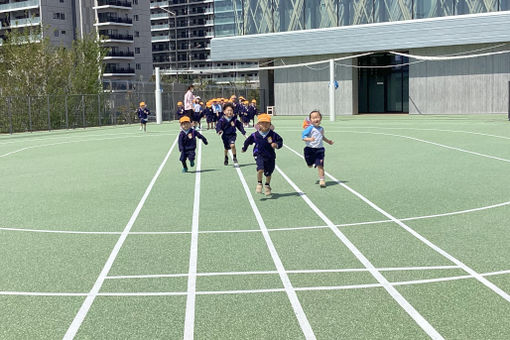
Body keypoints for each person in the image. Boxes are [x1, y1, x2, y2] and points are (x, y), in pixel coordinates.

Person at [242, 114, 283, 196]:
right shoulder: (255, 135)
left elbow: (280, 141)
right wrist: (244, 148)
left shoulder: (273, 134)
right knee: (260, 169)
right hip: (259, 154)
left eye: (266, 123)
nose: (264, 125)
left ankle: (267, 185)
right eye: (262, 123)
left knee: (268, 173)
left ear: (270, 124)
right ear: (258, 124)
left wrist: (276, 145)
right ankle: (259, 183)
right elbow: (248, 141)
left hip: (270, 156)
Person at [302, 110, 334, 188]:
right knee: (309, 165)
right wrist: (309, 139)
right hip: (309, 149)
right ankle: (310, 163)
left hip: (319, 150)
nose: (316, 119)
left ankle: (322, 180)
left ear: (321, 118)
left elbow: (322, 137)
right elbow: (303, 137)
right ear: (310, 120)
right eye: (313, 118)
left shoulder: (321, 129)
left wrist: (328, 141)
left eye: (317, 117)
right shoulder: (310, 128)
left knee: (320, 165)